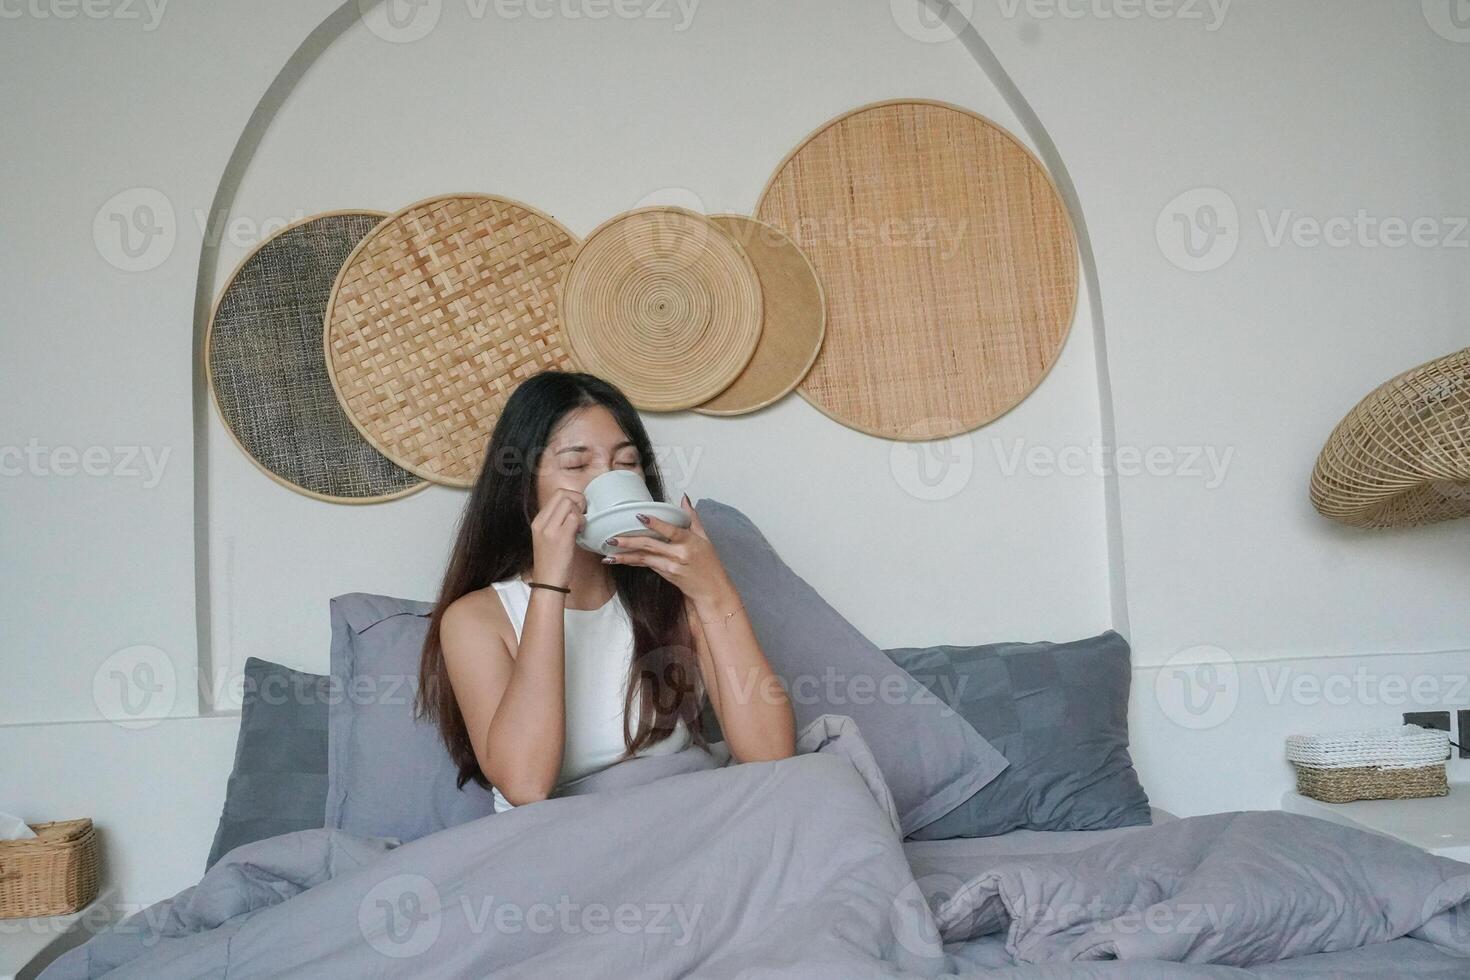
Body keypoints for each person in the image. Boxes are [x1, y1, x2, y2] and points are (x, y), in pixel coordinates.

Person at [416, 369, 796, 811]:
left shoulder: (670, 591)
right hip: (572, 840)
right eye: (577, 465)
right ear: (524, 485)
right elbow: (526, 785)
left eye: (627, 463)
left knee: (826, 784)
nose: (607, 481)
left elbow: (773, 756)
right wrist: (548, 585)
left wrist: (715, 594)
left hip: (685, 813)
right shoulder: (475, 619)